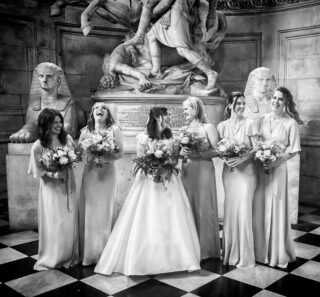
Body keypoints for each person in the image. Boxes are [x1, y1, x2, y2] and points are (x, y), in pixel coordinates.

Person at [94, 106, 200, 275]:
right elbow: (141, 160)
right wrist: (153, 169)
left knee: (173, 218)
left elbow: (173, 160)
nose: (170, 119)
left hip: (169, 180)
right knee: (148, 217)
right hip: (148, 182)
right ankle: (143, 260)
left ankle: (177, 259)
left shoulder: (172, 138)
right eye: (167, 116)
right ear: (158, 118)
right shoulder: (143, 137)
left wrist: (167, 166)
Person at [253, 87, 303, 268]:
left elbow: (294, 150)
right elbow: (255, 142)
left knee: (275, 204)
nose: (275, 102)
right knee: (260, 204)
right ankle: (259, 250)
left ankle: (275, 251)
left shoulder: (291, 123)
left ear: (286, 102)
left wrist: (276, 160)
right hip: (261, 168)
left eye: (280, 99)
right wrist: (261, 155)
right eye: (274, 98)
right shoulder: (262, 119)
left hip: (278, 168)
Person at [28, 108, 79, 271]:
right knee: (55, 221)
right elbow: (38, 171)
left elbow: (75, 156)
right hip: (51, 189)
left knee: (68, 220)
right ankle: (55, 255)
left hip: (68, 184)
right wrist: (52, 174)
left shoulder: (68, 139)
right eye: (54, 122)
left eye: (60, 122)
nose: (59, 125)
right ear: (45, 124)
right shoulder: (38, 146)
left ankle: (69, 254)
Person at [78, 102, 123, 266]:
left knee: (106, 210)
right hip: (90, 174)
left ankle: (106, 252)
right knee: (90, 211)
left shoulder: (114, 130)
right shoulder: (85, 132)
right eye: (96, 108)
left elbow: (120, 153)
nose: (99, 110)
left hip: (108, 174)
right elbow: (78, 154)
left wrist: (105, 158)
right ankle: (89, 252)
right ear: (92, 113)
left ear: (108, 114)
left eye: (104, 108)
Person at [217, 92, 258, 267]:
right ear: (229, 105)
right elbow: (219, 148)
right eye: (238, 103)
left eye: (243, 103)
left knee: (244, 210)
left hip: (247, 173)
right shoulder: (222, 126)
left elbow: (256, 149)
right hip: (229, 173)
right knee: (231, 211)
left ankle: (245, 256)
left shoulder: (250, 123)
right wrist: (225, 157)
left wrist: (242, 159)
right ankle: (230, 252)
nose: (242, 106)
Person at [180, 96, 220, 260]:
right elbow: (179, 151)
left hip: (203, 170)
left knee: (203, 207)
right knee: (187, 206)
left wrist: (199, 153)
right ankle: (190, 248)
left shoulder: (208, 127)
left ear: (195, 109)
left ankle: (205, 250)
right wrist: (181, 153)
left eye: (186, 109)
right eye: (183, 109)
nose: (184, 112)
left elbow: (218, 150)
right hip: (187, 170)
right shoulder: (184, 129)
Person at [10, 62, 78, 143]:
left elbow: (68, 130)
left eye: (49, 76)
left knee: (78, 115)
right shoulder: (34, 104)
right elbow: (31, 123)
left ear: (58, 81)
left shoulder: (67, 103)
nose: (44, 80)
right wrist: (28, 130)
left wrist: (40, 132)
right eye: (41, 76)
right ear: (37, 78)